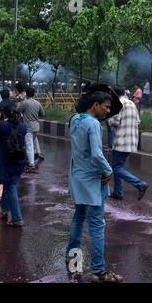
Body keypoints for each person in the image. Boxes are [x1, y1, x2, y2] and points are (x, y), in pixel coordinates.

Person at [65, 88, 123, 283]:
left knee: (79, 216)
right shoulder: (94, 124)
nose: (108, 111)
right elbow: (97, 155)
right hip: (92, 180)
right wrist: (109, 171)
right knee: (98, 224)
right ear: (95, 105)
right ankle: (98, 272)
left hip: (78, 177)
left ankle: (72, 255)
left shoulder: (75, 119)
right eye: (106, 107)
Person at [107, 87, 148, 201]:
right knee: (119, 166)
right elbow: (138, 121)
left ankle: (140, 184)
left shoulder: (118, 104)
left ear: (113, 95)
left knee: (117, 168)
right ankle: (118, 193)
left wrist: (107, 118)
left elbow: (113, 121)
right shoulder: (131, 103)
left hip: (121, 141)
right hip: (132, 141)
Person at [0, 105, 26, 227]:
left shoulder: (1, 125)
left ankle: (17, 218)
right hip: (19, 160)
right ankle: (5, 210)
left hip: (5, 160)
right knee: (7, 183)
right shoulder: (23, 127)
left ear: (5, 115)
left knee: (11, 187)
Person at [19, 87, 45, 173]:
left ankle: (31, 165)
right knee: (30, 144)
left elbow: (18, 111)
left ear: (26, 94)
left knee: (29, 146)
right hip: (36, 127)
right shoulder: (37, 103)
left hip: (28, 127)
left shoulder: (24, 103)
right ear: (34, 94)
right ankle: (30, 161)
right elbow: (42, 114)